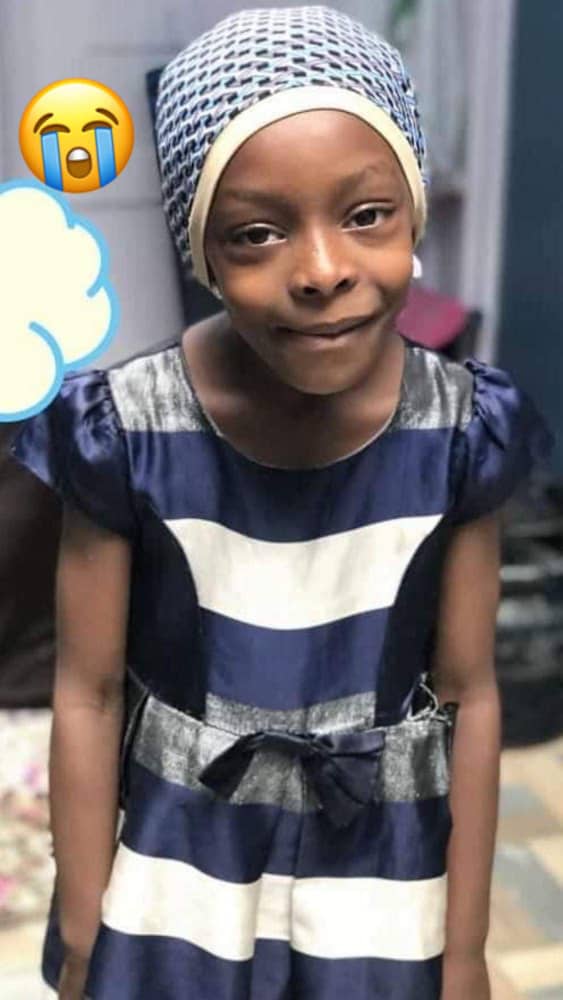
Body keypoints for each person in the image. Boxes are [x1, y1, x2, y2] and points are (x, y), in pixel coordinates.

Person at [10, 6, 555, 999]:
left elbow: (469, 692)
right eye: (256, 233)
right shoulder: (124, 427)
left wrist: (464, 950)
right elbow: (86, 693)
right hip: (178, 871)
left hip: (382, 872)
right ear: (203, 251)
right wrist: (85, 935)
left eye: (365, 214)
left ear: (412, 211)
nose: (321, 271)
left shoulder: (459, 428)